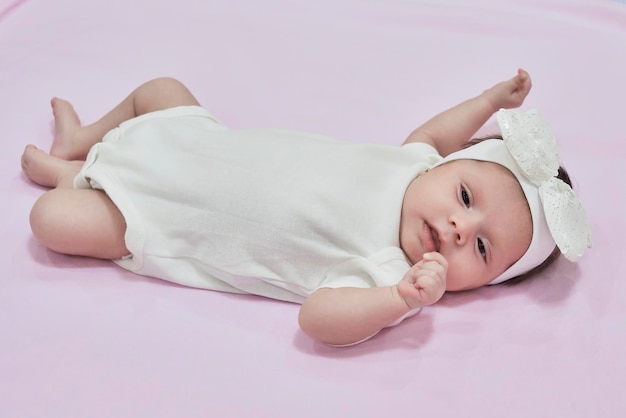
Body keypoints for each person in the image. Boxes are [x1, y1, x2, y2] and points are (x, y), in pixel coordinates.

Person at [21, 69, 591, 346]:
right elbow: (436, 133)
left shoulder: (391, 271)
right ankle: (84, 144)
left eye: (483, 249)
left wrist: (395, 300)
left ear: (487, 284)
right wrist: (489, 101)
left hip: (167, 221)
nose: (459, 228)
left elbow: (316, 317)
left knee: (50, 221)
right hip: (197, 143)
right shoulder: (410, 165)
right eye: (465, 198)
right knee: (161, 89)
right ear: (444, 167)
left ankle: (77, 176)